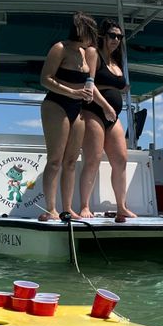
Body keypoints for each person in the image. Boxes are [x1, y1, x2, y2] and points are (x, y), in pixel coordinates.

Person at [38, 12, 98, 221]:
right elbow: (45, 79)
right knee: (55, 160)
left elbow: (89, 81)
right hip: (56, 104)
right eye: (92, 32)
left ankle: (67, 208)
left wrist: (86, 94)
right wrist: (72, 92)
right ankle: (50, 209)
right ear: (83, 31)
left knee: (71, 161)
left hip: (77, 108)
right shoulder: (60, 48)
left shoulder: (84, 53)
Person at [79, 19, 136, 221]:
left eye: (119, 37)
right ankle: (84, 206)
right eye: (112, 35)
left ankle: (122, 206)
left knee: (121, 160)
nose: (116, 40)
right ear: (104, 36)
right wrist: (106, 105)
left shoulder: (116, 61)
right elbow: (89, 84)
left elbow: (111, 83)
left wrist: (119, 89)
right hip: (93, 111)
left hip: (113, 115)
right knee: (93, 159)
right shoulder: (93, 53)